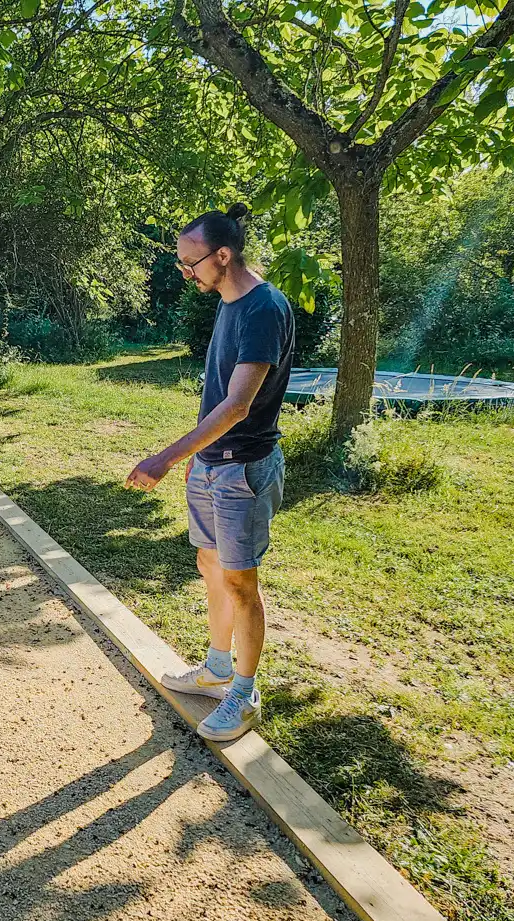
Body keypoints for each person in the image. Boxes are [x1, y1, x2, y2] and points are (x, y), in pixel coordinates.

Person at [124, 203, 294, 742]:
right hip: (212, 464)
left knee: (242, 584)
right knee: (209, 563)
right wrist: (196, 459)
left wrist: (164, 458)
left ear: (223, 256)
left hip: (243, 468)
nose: (184, 272)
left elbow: (239, 405)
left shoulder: (264, 308)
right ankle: (218, 668)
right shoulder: (227, 299)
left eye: (189, 263)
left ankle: (244, 694)